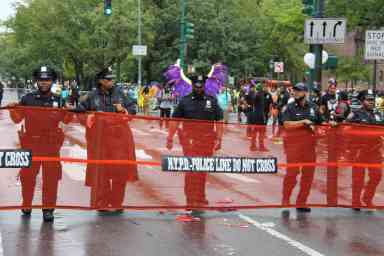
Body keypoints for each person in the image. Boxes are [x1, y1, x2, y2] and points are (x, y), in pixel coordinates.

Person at [8, 66, 68, 222]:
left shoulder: (59, 100)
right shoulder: (27, 99)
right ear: (36, 81)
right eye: (41, 80)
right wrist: (13, 109)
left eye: (47, 80)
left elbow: (67, 120)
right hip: (31, 144)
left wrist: (69, 111)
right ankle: (27, 204)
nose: (44, 83)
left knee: (51, 179)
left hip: (51, 146)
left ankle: (48, 209)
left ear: (52, 81)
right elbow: (17, 119)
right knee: (27, 177)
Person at [77, 67, 138, 213]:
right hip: (100, 139)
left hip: (119, 139)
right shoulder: (91, 96)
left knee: (120, 171)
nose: (111, 81)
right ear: (100, 81)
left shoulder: (121, 93)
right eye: (108, 79)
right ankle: (103, 202)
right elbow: (79, 112)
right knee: (101, 171)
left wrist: (123, 111)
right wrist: (87, 118)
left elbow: (133, 109)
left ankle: (116, 202)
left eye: (112, 79)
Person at [166, 75, 223, 213]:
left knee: (202, 170)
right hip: (190, 141)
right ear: (192, 86)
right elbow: (175, 120)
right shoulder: (185, 101)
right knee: (191, 170)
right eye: (196, 86)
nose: (199, 88)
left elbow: (219, 120)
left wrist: (219, 139)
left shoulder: (211, 100)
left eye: (201, 86)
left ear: (204, 86)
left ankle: (201, 197)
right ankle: (191, 199)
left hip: (207, 141)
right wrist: (170, 138)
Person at [281, 82, 322, 212]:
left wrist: (330, 125)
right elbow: (286, 124)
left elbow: (322, 123)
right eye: (295, 90)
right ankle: (286, 199)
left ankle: (302, 202)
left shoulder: (314, 108)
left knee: (308, 176)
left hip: (309, 147)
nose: (295, 92)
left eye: (298, 91)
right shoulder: (289, 107)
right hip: (293, 146)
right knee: (292, 174)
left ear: (305, 93)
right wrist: (302, 122)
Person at [346, 89, 383, 210]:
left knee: (377, 176)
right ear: (362, 101)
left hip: (374, 151)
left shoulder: (378, 114)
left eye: (373, 100)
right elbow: (345, 129)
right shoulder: (355, 114)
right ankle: (355, 201)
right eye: (369, 100)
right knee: (358, 179)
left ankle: (367, 198)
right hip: (359, 151)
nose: (371, 102)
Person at [245, 82, 269, 152]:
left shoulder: (258, 94)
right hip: (259, 116)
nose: (266, 88)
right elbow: (252, 101)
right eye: (264, 87)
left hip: (257, 115)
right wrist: (247, 92)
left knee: (256, 131)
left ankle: (254, 146)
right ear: (261, 88)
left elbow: (252, 101)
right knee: (261, 131)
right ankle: (258, 146)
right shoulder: (259, 95)